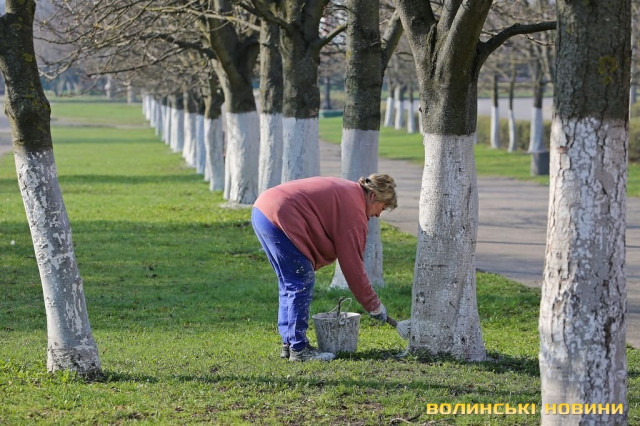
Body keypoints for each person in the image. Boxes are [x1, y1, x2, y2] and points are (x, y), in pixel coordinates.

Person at [251, 173, 397, 362]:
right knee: (300, 281)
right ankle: (299, 349)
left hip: (262, 210)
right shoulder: (354, 211)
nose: (378, 214)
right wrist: (373, 305)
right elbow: (353, 268)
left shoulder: (349, 191)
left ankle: (289, 344)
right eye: (382, 207)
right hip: (279, 215)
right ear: (373, 196)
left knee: (289, 283)